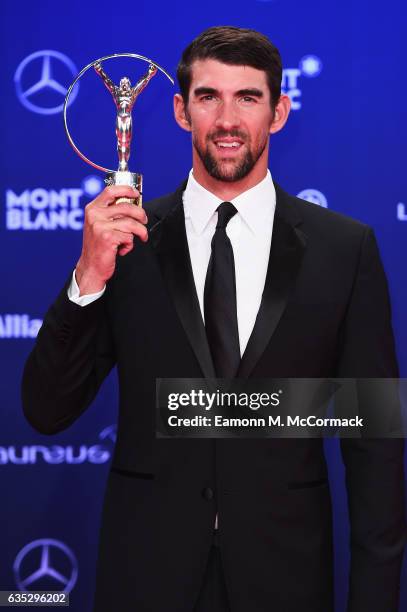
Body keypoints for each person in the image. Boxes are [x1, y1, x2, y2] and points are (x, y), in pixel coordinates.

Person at [22, 26, 406, 612]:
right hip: (146, 578)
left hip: (287, 579)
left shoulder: (344, 250)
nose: (227, 119)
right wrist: (89, 277)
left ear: (278, 112)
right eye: (208, 97)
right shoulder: (128, 243)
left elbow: (375, 445)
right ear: (180, 111)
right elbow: (47, 410)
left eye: (248, 97)